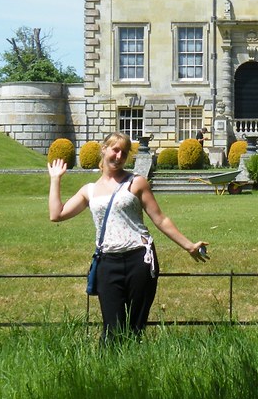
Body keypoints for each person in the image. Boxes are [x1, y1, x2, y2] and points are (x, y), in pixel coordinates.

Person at [47, 132, 208, 339]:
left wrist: (189, 246)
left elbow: (160, 219)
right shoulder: (90, 190)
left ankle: (134, 367)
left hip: (139, 258)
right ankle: (107, 369)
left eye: (124, 153)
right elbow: (56, 214)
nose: (119, 156)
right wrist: (55, 180)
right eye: (115, 150)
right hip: (107, 261)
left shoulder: (137, 182)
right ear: (104, 149)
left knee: (135, 327)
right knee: (111, 329)